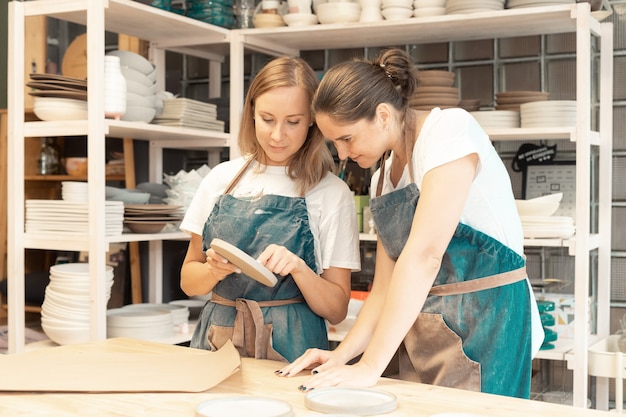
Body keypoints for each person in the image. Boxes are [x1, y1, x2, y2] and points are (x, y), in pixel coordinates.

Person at [276, 48, 544, 398]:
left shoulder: (448, 132)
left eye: (347, 138)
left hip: (488, 322)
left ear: (383, 115)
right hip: (427, 331)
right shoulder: (383, 179)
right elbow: (385, 288)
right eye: (334, 143)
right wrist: (340, 357)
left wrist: (370, 366)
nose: (342, 155)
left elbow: (424, 256)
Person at [179, 56, 360, 363]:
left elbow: (337, 310)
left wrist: (299, 268)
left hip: (293, 349)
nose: (277, 135)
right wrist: (212, 270)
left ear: (313, 120)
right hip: (217, 343)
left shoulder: (331, 192)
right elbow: (188, 281)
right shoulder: (221, 179)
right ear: (251, 114)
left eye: (293, 121)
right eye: (267, 119)